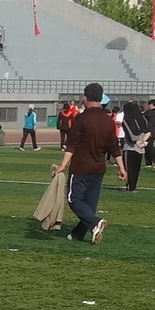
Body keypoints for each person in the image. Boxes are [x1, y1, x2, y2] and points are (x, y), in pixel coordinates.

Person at [56, 83, 119, 243]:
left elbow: (72, 145)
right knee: (90, 205)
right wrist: (122, 167)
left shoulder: (81, 119)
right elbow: (114, 146)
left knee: (74, 199)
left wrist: (63, 164)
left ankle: (95, 223)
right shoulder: (108, 121)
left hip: (81, 167)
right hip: (98, 168)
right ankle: (78, 234)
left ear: (85, 98)